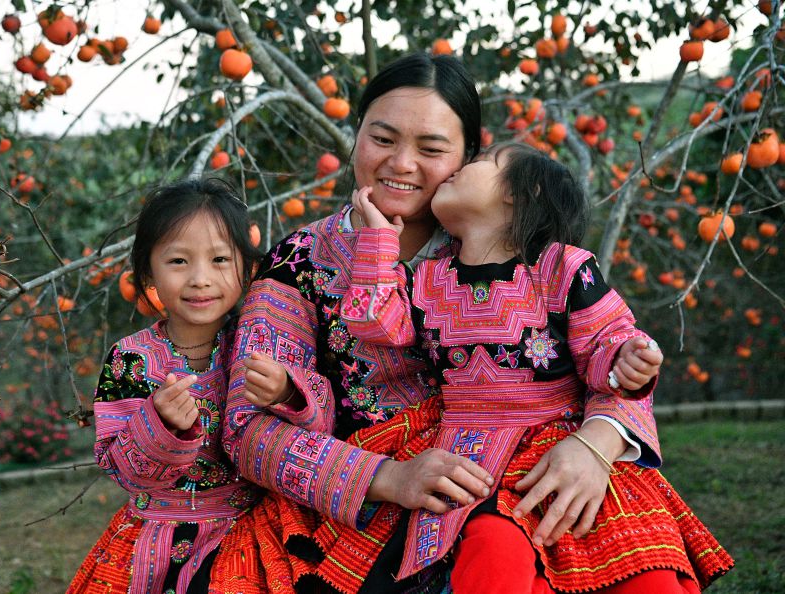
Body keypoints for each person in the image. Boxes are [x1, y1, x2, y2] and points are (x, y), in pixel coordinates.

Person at [210, 53, 669, 593]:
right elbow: (247, 431)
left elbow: (607, 355)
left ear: (468, 159)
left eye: (431, 149)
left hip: (538, 472)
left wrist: (597, 443)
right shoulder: (298, 263)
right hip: (373, 503)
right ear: (355, 136)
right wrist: (388, 478)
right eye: (382, 139)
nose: (401, 164)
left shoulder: (508, 246)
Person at [331, 141, 733, 592]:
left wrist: (626, 363)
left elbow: (604, 340)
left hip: (563, 438)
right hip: (471, 454)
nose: (458, 169)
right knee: (493, 549)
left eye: (481, 162)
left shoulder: (562, 267)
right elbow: (372, 321)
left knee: (642, 570)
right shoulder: (424, 280)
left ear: (520, 193)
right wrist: (378, 237)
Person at [68, 178, 291, 594]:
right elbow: (122, 470)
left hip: (250, 533)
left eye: (220, 259)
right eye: (178, 262)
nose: (201, 279)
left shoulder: (264, 343)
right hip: (156, 545)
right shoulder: (131, 359)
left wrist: (287, 394)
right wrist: (160, 426)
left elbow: (309, 429)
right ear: (147, 271)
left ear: (249, 267)